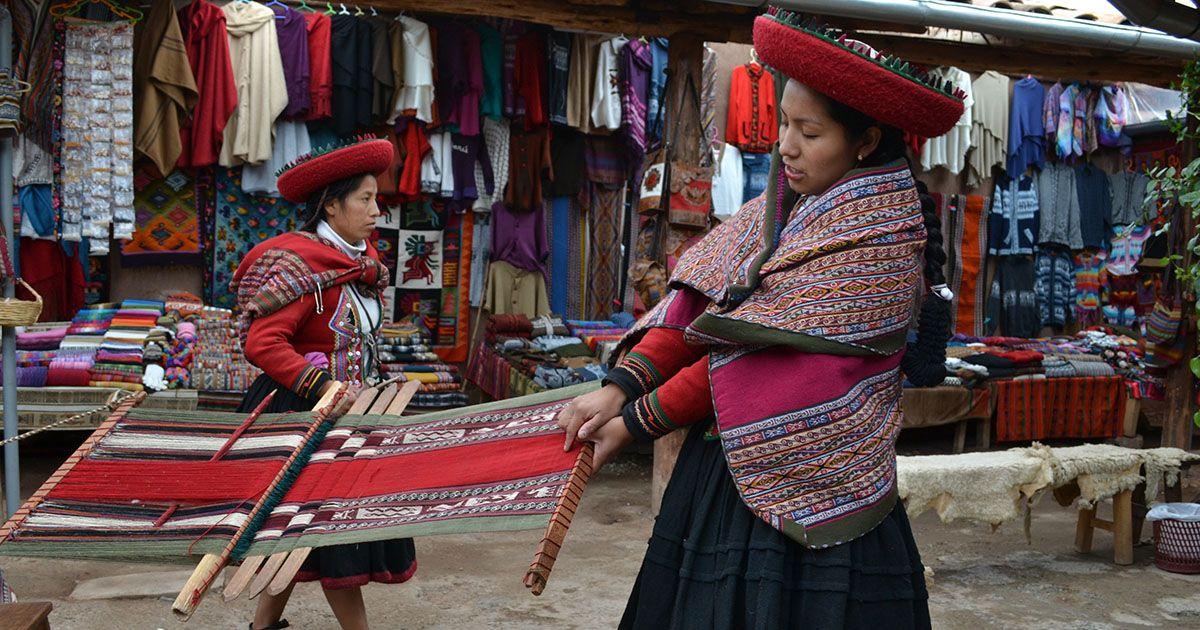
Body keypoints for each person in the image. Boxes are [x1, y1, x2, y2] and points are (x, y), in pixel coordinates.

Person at [557, 8, 966, 629]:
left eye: (810, 132)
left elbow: (759, 360)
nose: (788, 146)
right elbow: (697, 304)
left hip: (830, 487)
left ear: (866, 141)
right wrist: (620, 387)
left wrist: (637, 422)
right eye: (784, 125)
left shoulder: (883, 238)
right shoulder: (775, 208)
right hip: (725, 476)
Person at [231, 138, 416, 630]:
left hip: (350, 418)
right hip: (305, 416)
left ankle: (262, 626)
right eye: (365, 199)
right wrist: (322, 386)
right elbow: (262, 344)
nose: (377, 210)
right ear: (331, 206)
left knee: (297, 535)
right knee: (333, 536)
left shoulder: (357, 264)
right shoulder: (304, 267)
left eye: (377, 199)